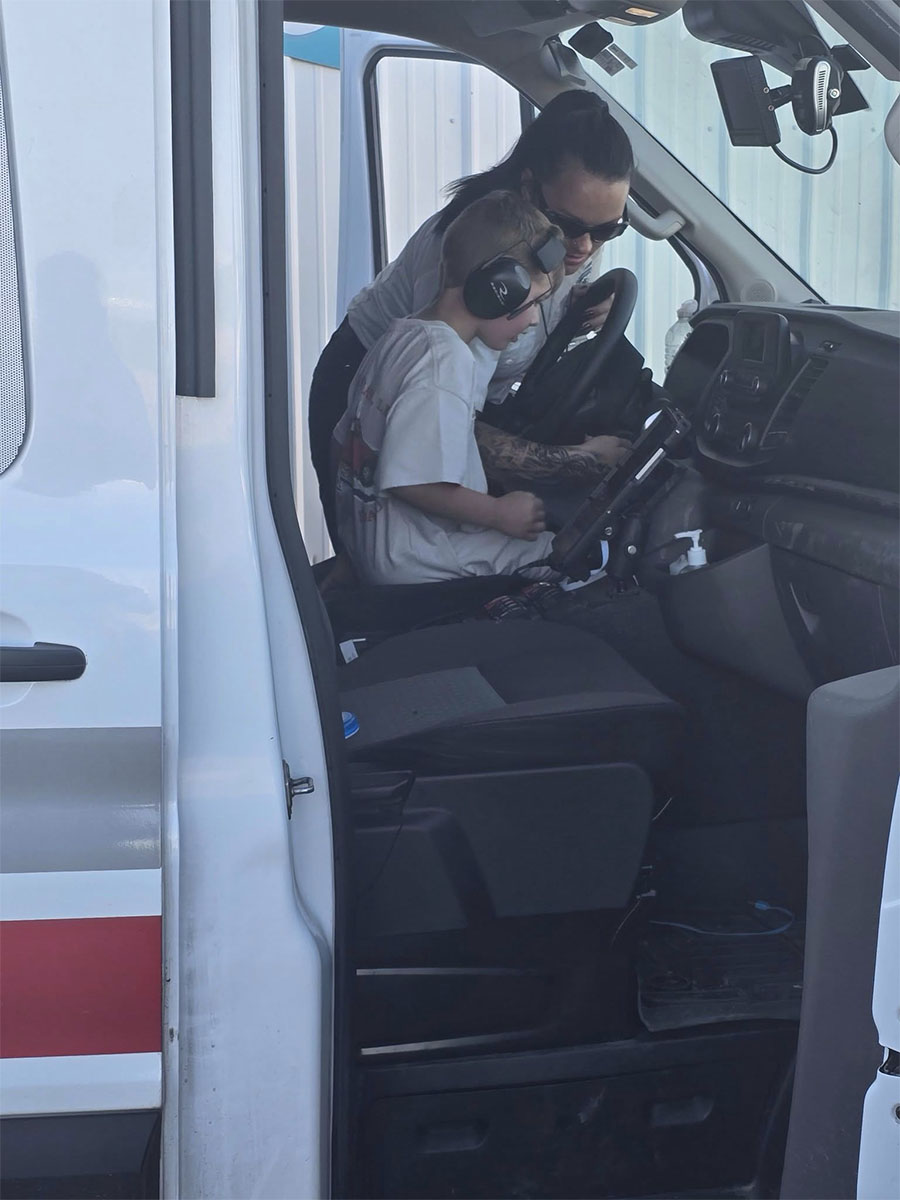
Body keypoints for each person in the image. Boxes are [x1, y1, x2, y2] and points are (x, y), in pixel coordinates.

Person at [310, 89, 635, 538]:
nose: (584, 248)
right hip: (369, 390)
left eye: (607, 230)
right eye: (572, 226)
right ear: (528, 187)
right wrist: (580, 460)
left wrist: (583, 306)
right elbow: (448, 436)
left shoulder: (568, 243)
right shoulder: (482, 262)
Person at [333, 191, 575, 585]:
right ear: (497, 289)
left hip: (377, 548)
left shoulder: (400, 336)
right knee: (563, 556)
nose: (533, 321)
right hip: (415, 560)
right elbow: (414, 483)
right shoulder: (445, 364)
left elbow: (342, 444)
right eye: (533, 303)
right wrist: (499, 513)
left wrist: (354, 549)